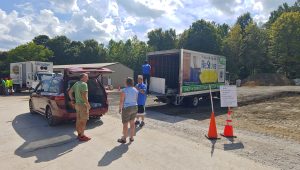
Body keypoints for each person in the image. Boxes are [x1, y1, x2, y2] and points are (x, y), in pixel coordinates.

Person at [68, 73, 91, 142]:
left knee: (78, 120)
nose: (88, 79)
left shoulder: (77, 83)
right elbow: (84, 95)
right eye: (86, 77)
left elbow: (70, 92)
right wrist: (88, 104)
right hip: (82, 105)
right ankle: (82, 136)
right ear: (82, 78)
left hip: (77, 105)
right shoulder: (84, 84)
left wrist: (72, 99)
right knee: (83, 121)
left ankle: (79, 134)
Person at [118, 77, 138, 143]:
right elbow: (135, 99)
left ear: (126, 82)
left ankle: (124, 138)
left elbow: (121, 101)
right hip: (135, 107)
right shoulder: (135, 90)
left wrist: (120, 108)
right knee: (132, 123)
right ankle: (131, 137)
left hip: (127, 108)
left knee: (125, 124)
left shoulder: (124, 90)